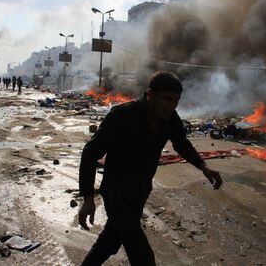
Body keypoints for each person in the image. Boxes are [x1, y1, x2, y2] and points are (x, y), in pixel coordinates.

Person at [78, 71, 222, 266]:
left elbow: (181, 144)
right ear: (150, 95)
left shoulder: (170, 118)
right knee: (142, 256)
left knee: (110, 240)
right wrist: (87, 198)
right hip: (116, 193)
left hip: (140, 191)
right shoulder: (122, 116)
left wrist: (203, 166)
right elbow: (90, 153)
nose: (172, 106)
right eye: (167, 99)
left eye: (176, 101)